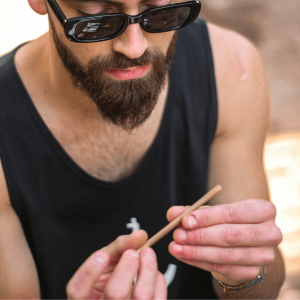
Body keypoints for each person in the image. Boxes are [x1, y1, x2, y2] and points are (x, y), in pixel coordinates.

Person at [0, 0, 285, 299]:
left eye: (159, 9)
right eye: (97, 15)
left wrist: (246, 276)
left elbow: (265, 284)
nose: (134, 48)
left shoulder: (229, 68)